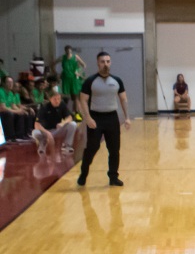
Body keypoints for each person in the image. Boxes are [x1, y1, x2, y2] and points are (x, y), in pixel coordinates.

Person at [78, 51, 132, 187]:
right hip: (95, 118)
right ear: (98, 63)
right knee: (92, 147)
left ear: (110, 63)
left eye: (108, 61)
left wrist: (127, 118)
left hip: (112, 118)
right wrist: (88, 118)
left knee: (114, 149)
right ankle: (84, 173)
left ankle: (113, 177)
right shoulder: (90, 81)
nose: (105, 64)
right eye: (102, 62)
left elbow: (123, 99)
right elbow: (83, 100)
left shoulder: (117, 81)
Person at [33, 89, 77, 157]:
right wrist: (47, 133)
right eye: (55, 99)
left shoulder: (62, 104)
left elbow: (69, 117)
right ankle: (43, 143)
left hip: (57, 130)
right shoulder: (44, 107)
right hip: (45, 131)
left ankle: (67, 145)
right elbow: (36, 124)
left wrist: (63, 123)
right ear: (50, 99)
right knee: (35, 132)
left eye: (59, 99)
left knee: (73, 124)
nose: (57, 101)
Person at [0, 76, 35, 141]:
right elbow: (3, 108)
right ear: (4, 83)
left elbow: (13, 105)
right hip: (3, 112)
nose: (10, 84)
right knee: (10, 114)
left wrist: (21, 110)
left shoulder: (10, 93)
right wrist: (16, 111)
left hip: (8, 111)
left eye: (11, 82)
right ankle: (10, 137)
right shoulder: (1, 91)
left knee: (23, 113)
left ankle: (22, 135)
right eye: (8, 82)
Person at [55, 46, 86, 118]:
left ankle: (77, 113)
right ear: (65, 51)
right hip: (66, 78)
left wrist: (79, 72)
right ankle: (64, 113)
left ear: (71, 51)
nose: (68, 52)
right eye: (67, 51)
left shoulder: (75, 57)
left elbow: (84, 65)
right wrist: (56, 74)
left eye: (69, 51)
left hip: (74, 79)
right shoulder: (63, 57)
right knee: (66, 97)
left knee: (75, 97)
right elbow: (53, 63)